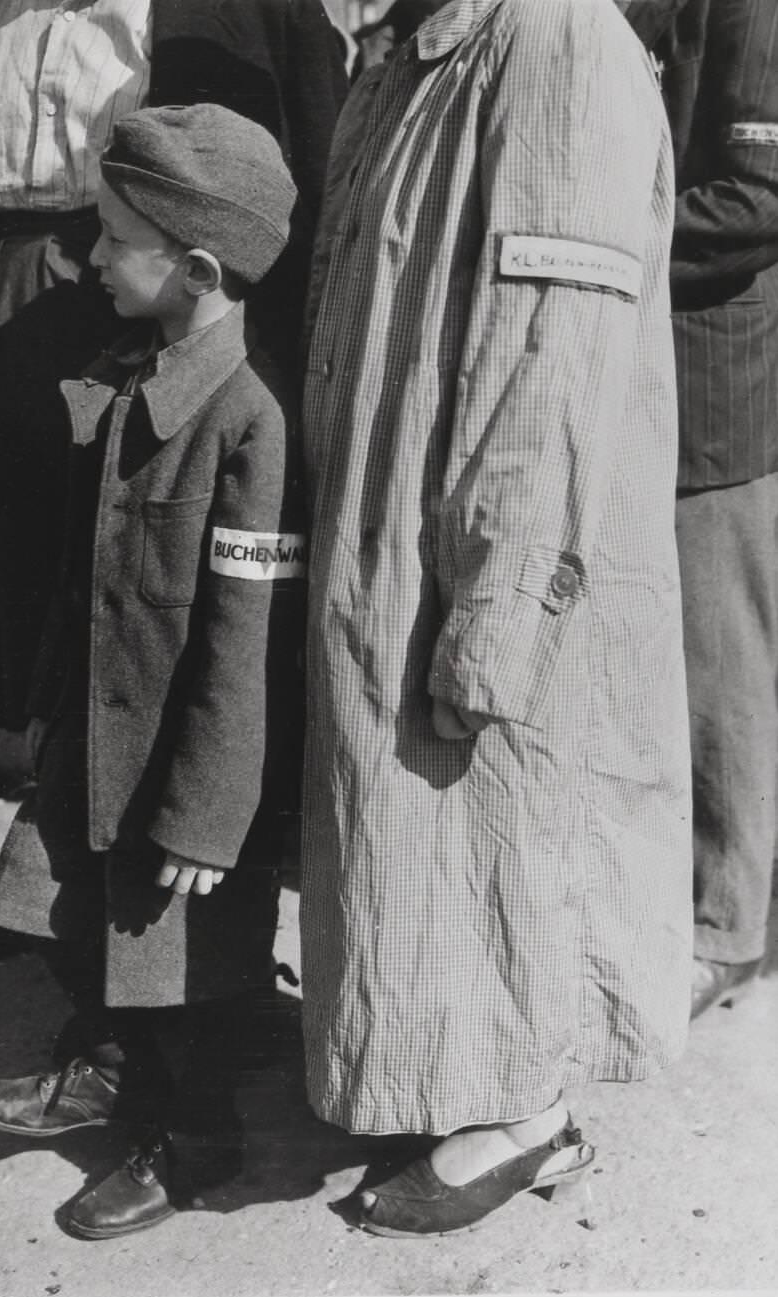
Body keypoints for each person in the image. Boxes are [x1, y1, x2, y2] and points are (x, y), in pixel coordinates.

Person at [300, 0, 692, 1237]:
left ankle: (530, 1112)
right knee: (428, 833)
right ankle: (460, 1067)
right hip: (399, 501)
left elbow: (549, 355)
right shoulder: (418, 47)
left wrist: (503, 596)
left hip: (494, 520)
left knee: (509, 802)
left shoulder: (556, 41)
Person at [0, 104, 305, 1240]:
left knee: (189, 976)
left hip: (175, 770)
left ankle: (192, 1142)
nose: (93, 256)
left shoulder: (246, 418)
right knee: (83, 928)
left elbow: (239, 640)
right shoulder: (132, 371)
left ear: (199, 266)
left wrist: (211, 816)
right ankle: (112, 1070)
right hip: (98, 735)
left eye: (117, 237)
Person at [0, 0, 345, 734]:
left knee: (143, 536)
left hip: (158, 281)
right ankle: (38, 752)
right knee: (20, 544)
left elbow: (311, 159)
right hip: (8, 280)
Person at [622, 0, 778, 1019]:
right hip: (654, 366)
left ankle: (725, 925)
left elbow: (757, 195)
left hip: (716, 380)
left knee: (719, 663)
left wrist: (603, 233)